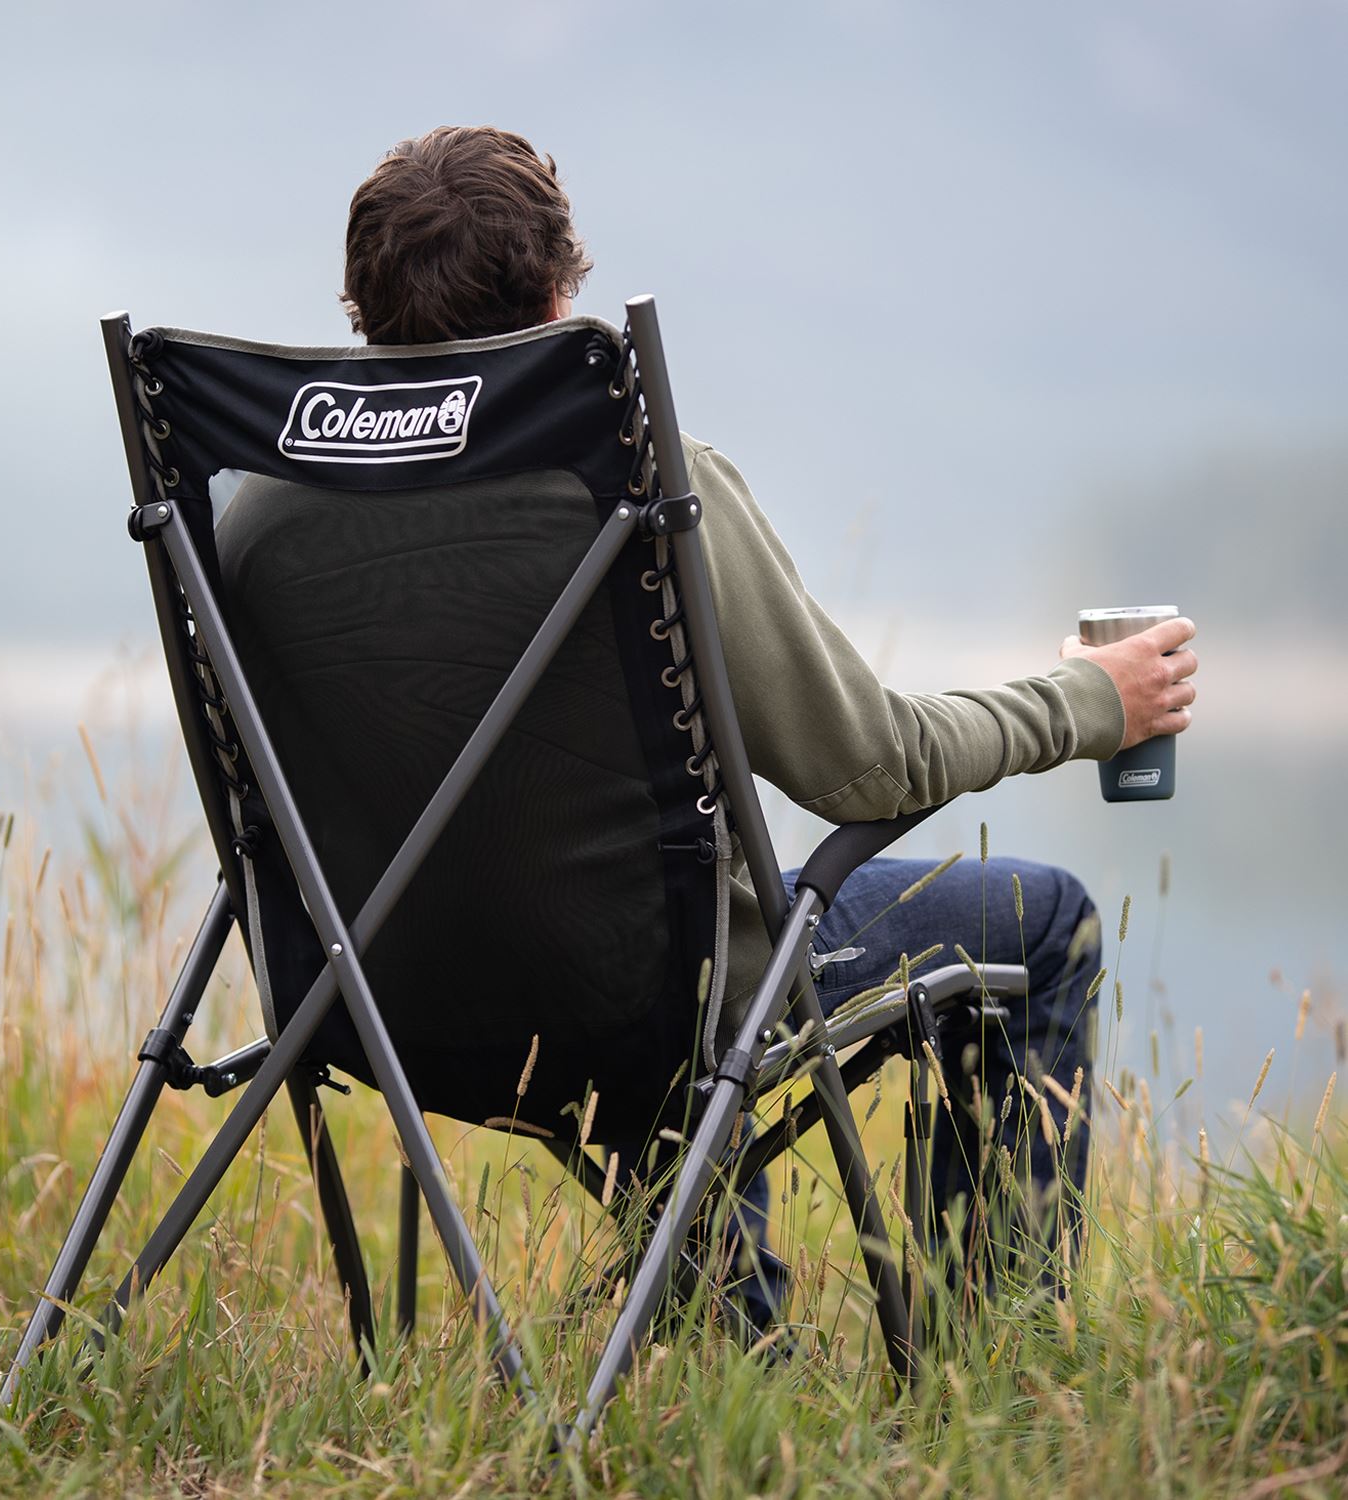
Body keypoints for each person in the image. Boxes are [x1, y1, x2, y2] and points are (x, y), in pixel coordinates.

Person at [262, 126, 1199, 1321]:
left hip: (368, 1000)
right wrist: (1092, 702)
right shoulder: (641, 483)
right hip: (641, 1000)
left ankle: (726, 1332)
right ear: (557, 301)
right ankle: (990, 1365)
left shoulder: (252, 512)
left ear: (363, 309)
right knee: (1040, 923)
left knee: (663, 935)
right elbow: (873, 766)